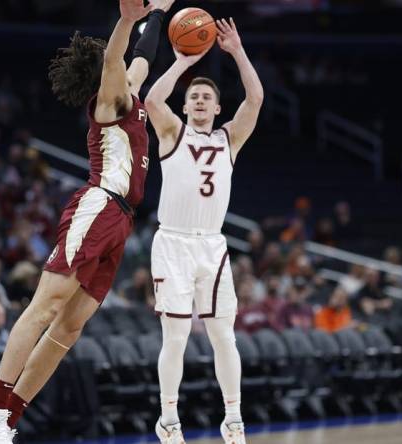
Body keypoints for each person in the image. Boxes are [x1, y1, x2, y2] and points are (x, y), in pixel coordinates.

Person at [0, 1, 174, 442]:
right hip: (99, 205)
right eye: (112, 66)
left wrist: (156, 15)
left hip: (121, 220)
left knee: (70, 326)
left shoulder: (131, 96)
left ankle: (6, 418)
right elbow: (120, 56)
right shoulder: (109, 102)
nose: (122, 68)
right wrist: (126, 20)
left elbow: (141, 57)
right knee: (44, 307)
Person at [144, 15, 263, 444]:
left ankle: (233, 419)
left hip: (212, 247)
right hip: (172, 242)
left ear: (216, 108)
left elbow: (255, 99)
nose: (197, 101)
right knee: (174, 337)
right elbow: (152, 102)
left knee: (222, 335)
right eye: (192, 96)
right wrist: (180, 62)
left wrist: (236, 52)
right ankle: (169, 420)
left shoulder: (228, 140)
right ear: (186, 104)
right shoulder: (172, 132)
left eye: (205, 97)